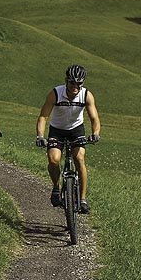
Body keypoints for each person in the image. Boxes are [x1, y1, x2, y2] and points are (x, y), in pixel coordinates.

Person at [35, 64, 102, 213]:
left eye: (79, 83)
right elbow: (43, 116)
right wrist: (40, 135)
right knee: (54, 160)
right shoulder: (55, 93)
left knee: (79, 158)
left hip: (76, 130)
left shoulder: (86, 95)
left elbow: (94, 118)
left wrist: (95, 133)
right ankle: (56, 187)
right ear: (66, 81)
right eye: (72, 82)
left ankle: (83, 199)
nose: (75, 86)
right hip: (57, 130)